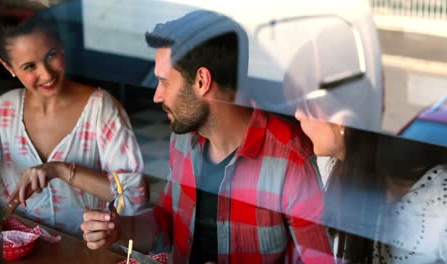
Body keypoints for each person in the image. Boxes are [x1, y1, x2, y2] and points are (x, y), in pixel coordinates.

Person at [81, 10, 333, 263]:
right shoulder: (183, 139)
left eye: (165, 82)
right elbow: (169, 219)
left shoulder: (292, 160)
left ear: (202, 81)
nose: (157, 95)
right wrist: (121, 228)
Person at [285, 61, 447, 263]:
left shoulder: (444, 199)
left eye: (305, 106)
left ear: (341, 118)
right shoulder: (329, 169)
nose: (297, 115)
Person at [0, 4, 147, 236]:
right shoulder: (1, 110)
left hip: (88, 252)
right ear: (8, 67)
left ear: (62, 45)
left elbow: (135, 194)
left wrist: (61, 170)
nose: (46, 74)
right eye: (29, 66)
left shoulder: (101, 109)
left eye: (51, 55)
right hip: (22, 251)